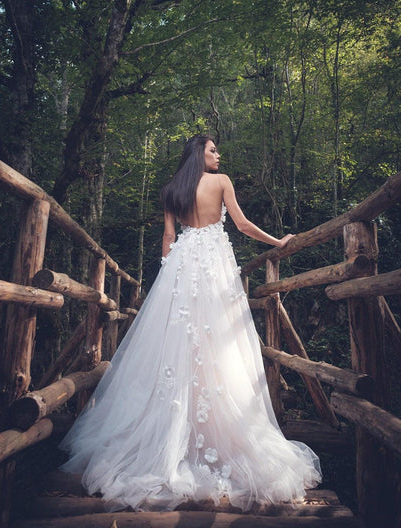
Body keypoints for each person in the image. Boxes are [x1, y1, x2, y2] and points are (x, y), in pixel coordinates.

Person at [59, 135, 322, 512]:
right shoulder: (221, 181)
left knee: (177, 344)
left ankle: (174, 433)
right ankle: (215, 432)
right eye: (213, 149)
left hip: (182, 266)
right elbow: (243, 225)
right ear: (199, 152)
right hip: (214, 266)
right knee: (219, 346)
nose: (219, 155)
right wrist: (278, 242)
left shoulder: (171, 190)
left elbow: (168, 238)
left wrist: (168, 278)